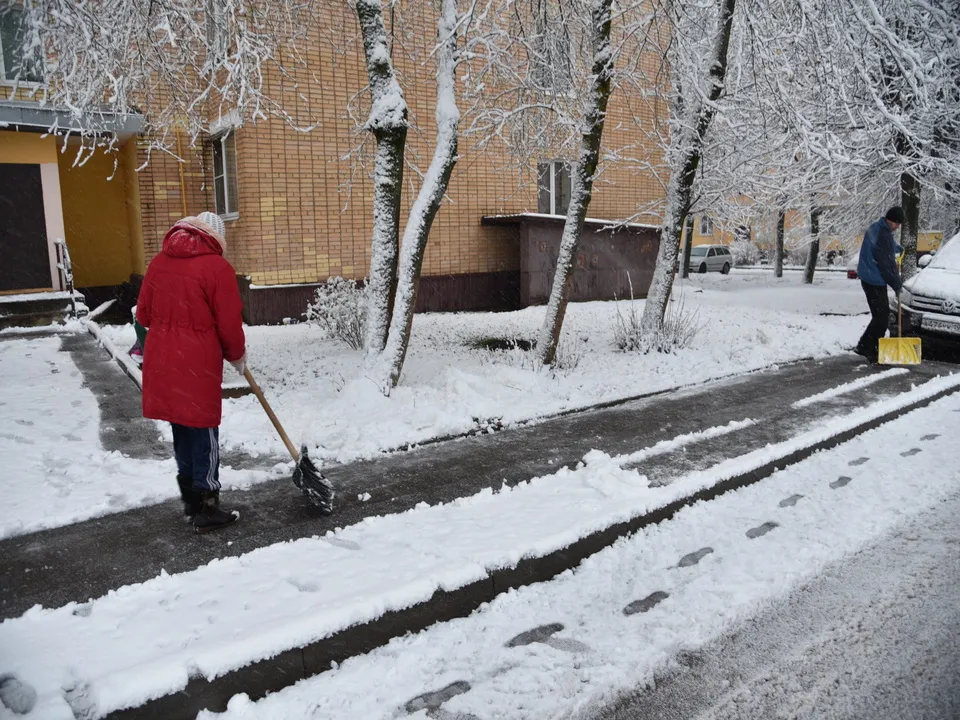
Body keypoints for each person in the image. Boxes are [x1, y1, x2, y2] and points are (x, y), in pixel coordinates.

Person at [136, 211, 246, 532]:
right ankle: (207, 505)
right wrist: (237, 355)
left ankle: (190, 500)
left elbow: (143, 315)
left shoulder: (159, 263)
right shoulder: (217, 268)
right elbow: (228, 324)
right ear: (215, 239)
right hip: (197, 366)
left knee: (182, 429)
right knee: (204, 432)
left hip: (164, 363)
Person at [854, 206, 904, 363]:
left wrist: (895, 247)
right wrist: (897, 285)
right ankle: (871, 350)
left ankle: (863, 346)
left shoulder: (877, 228)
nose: (897, 227)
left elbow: (880, 247)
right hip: (875, 280)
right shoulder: (884, 234)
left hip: (867, 277)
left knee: (879, 316)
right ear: (891, 220)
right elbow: (887, 265)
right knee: (882, 318)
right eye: (897, 223)